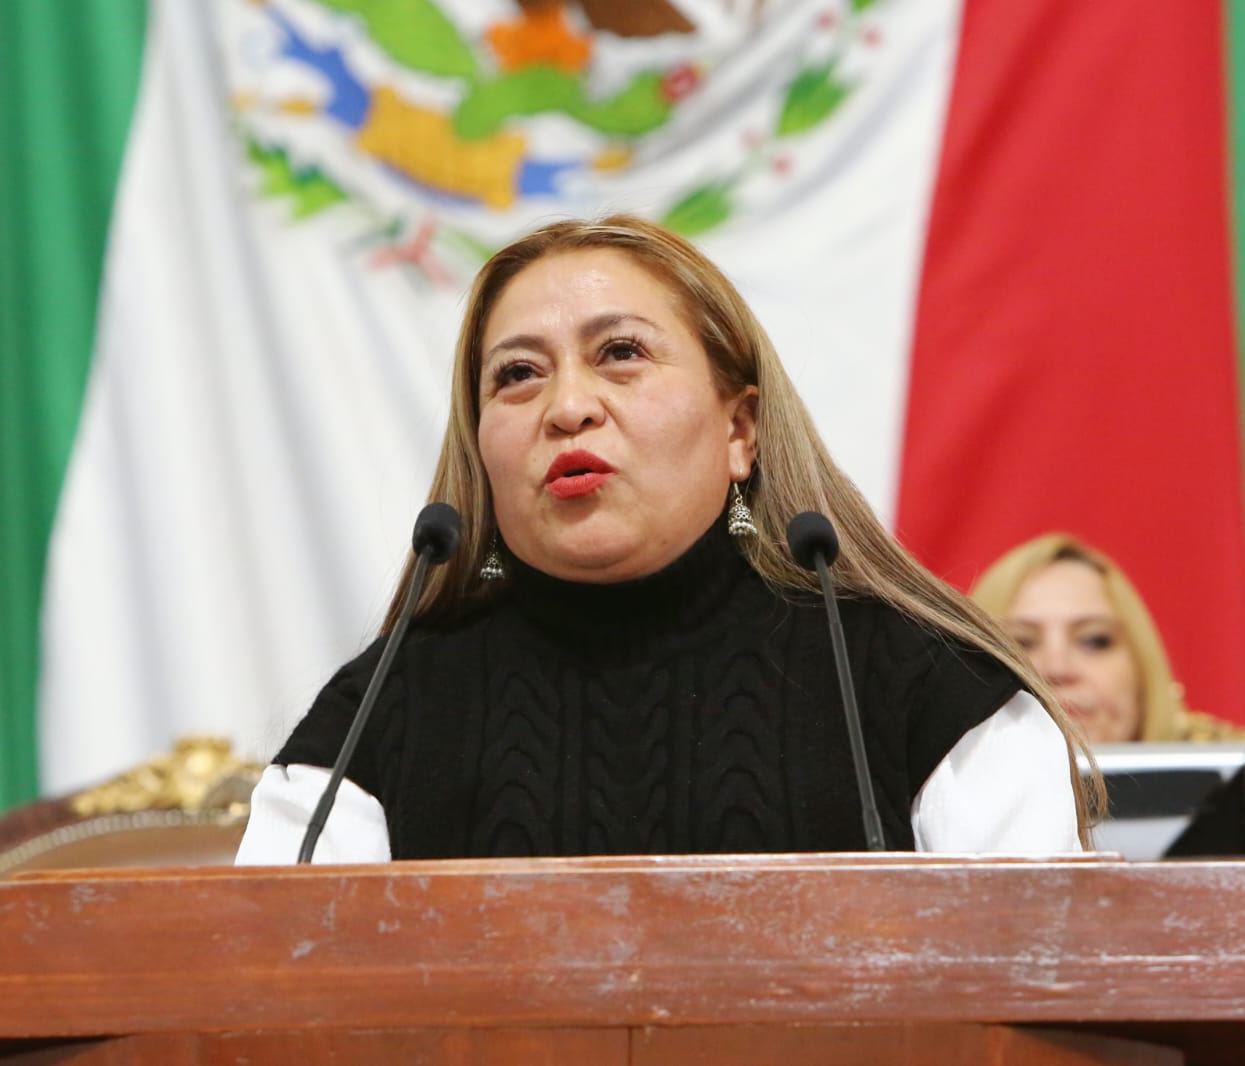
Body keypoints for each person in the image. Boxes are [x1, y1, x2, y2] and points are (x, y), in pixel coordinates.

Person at [236, 216, 1098, 865]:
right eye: (518, 374)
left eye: (620, 353)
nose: (568, 407)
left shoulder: (919, 686)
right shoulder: (378, 719)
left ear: (740, 430)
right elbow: (265, 993)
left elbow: (1037, 985)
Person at [970, 533, 1245, 855]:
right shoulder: (938, 823)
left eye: (1094, 640)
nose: (1057, 668)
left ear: (1143, 676)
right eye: (1020, 643)